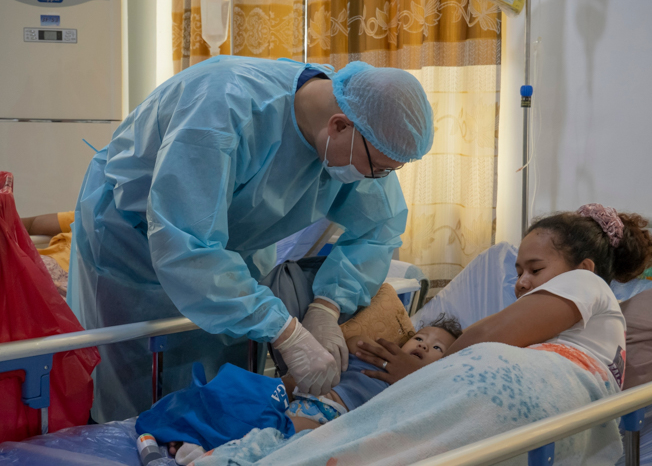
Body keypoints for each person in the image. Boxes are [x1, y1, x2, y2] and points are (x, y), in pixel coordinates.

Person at [67, 56, 434, 422]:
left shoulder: (359, 130)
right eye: (378, 170)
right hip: (132, 241)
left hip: (231, 247)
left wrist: (327, 306)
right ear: (339, 125)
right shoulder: (222, 109)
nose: (377, 179)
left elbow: (378, 230)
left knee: (222, 378)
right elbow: (186, 242)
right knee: (132, 382)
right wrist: (284, 330)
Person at [357, 204, 652, 389]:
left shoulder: (587, 284)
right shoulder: (567, 328)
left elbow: (488, 334)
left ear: (583, 268)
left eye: (535, 270)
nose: (522, 283)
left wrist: (422, 377)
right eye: (518, 273)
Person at [135, 314, 462, 465]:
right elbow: (349, 348)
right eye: (420, 338)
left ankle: (214, 458)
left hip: (328, 418)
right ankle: (192, 440)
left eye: (437, 349)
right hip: (303, 398)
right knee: (236, 398)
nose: (424, 345)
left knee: (274, 440)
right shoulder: (377, 355)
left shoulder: (421, 384)